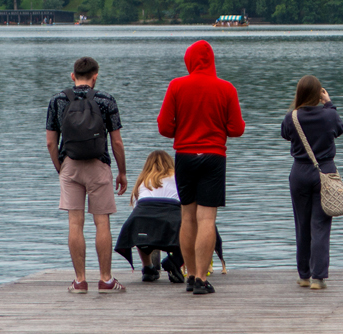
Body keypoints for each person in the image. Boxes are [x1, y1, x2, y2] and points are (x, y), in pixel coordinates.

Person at [157, 40, 244, 296]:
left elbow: (164, 127)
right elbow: (237, 129)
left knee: (187, 217)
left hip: (185, 155)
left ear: (189, 60)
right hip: (214, 157)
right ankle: (201, 279)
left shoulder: (176, 86)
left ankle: (190, 274)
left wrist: (181, 129)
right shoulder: (226, 88)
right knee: (207, 218)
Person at [45, 56, 128, 295]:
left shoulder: (58, 100)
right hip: (98, 164)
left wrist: (60, 167)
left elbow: (51, 142)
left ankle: (80, 281)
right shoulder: (106, 100)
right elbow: (117, 142)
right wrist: (121, 172)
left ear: (73, 76)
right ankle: (105, 279)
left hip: (69, 164)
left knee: (75, 223)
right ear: (96, 75)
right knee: (102, 222)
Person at [112, 149, 226, 283]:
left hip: (141, 220)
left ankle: (147, 267)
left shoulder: (142, 182)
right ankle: (174, 261)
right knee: (188, 227)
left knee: (140, 227)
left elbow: (136, 207)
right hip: (171, 219)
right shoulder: (178, 178)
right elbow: (187, 203)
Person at [280, 75, 343, 290]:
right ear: (319, 94)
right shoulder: (329, 116)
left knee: (302, 224)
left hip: (299, 172)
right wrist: (329, 103)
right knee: (320, 225)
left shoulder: (292, 117)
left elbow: (284, 134)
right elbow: (340, 129)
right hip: (324, 172)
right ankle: (318, 278)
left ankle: (304, 276)